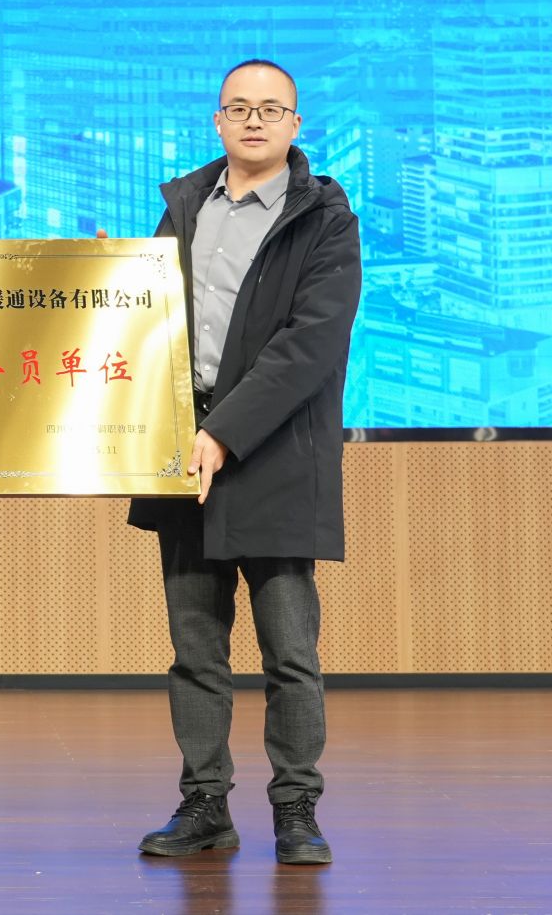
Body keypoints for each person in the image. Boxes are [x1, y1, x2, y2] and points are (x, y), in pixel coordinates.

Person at [129, 58, 361, 867]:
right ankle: (204, 804)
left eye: (270, 109)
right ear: (217, 122)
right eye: (238, 108)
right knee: (196, 646)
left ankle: (296, 808)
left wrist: (225, 431)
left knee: (288, 648)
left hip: (273, 450)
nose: (253, 120)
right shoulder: (183, 207)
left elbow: (310, 344)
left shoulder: (325, 218)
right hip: (183, 446)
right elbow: (147, 320)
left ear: (296, 124)